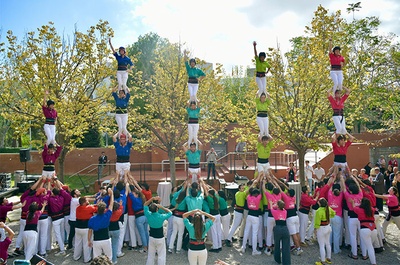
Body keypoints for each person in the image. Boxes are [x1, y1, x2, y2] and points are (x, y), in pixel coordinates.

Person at [144, 196, 172, 265]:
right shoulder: (161, 217)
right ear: (157, 209)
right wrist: (162, 207)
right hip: (160, 237)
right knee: (161, 255)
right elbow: (170, 213)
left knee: (150, 255)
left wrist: (152, 199)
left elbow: (145, 204)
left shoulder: (148, 215)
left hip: (151, 237)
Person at [88, 188, 114, 261]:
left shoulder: (92, 219)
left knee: (96, 259)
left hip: (96, 240)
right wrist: (112, 194)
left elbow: (90, 230)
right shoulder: (107, 215)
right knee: (109, 258)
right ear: (104, 209)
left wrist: (89, 240)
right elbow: (111, 205)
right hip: (106, 239)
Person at [240, 179, 262, 255]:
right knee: (254, 233)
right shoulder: (258, 198)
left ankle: (243, 247)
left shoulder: (249, 197)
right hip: (256, 216)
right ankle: (254, 250)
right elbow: (261, 192)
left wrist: (253, 184)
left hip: (249, 215)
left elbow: (249, 192)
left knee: (246, 231)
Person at [353, 198, 378, 265]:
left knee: (369, 247)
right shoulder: (372, 209)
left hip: (364, 228)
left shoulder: (359, 209)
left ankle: (373, 263)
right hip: (373, 228)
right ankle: (373, 261)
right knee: (370, 246)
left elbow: (353, 208)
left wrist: (352, 202)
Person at [74, 197, 97, 263]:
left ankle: (76, 256)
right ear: (84, 202)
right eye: (87, 200)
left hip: (78, 228)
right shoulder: (89, 208)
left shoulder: (77, 208)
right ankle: (87, 258)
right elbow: (96, 209)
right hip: (86, 228)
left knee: (78, 243)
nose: (88, 201)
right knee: (87, 243)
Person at [314, 198, 335, 265]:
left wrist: (315, 229)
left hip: (321, 228)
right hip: (328, 226)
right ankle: (328, 258)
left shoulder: (318, 211)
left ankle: (322, 261)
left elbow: (317, 222)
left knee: (322, 245)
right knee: (327, 243)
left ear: (320, 203)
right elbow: (334, 214)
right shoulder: (328, 208)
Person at [270, 200, 291, 265]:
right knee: (286, 247)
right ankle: (286, 262)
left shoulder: (275, 212)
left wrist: (271, 203)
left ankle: (277, 259)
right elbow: (283, 208)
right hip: (285, 228)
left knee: (277, 244)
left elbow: (271, 208)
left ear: (278, 206)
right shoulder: (285, 211)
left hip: (278, 228)